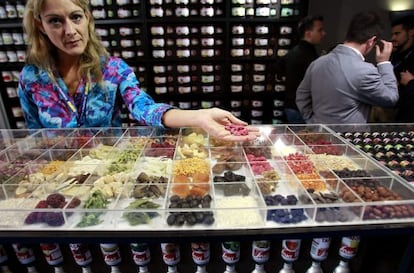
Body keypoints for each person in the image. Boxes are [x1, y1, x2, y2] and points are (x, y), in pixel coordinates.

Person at [17, 0, 259, 142]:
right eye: (55, 21)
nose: (69, 30)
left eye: (75, 17)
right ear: (41, 25)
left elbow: (144, 108)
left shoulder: (113, 70)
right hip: (59, 175)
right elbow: (35, 138)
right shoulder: (31, 78)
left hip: (107, 172)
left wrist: (198, 117)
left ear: (87, 18)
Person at [296, 11, 399, 124]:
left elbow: (301, 96)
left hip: (319, 135)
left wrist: (313, 122)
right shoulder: (365, 71)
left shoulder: (317, 63)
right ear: (371, 41)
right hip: (348, 138)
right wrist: (384, 63)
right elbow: (390, 98)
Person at [276, 15, 326, 123]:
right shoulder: (309, 56)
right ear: (308, 33)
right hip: (301, 109)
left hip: (291, 106)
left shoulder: (292, 52)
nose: (323, 33)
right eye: (320, 30)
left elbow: (279, 72)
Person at [370, 15, 414, 122]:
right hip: (390, 111)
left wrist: (410, 82)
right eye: (392, 34)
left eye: (397, 34)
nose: (393, 38)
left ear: (411, 32)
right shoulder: (394, 55)